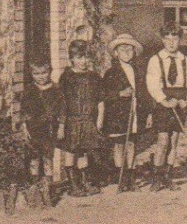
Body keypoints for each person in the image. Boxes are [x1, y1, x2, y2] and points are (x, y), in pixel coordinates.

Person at [144, 22, 187, 191]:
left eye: (174, 39)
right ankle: (157, 177)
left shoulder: (186, 61)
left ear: (180, 40)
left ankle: (168, 176)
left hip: (180, 101)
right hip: (163, 103)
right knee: (163, 140)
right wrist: (164, 100)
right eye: (167, 39)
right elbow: (152, 84)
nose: (171, 43)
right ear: (162, 40)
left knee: (174, 140)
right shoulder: (156, 60)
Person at [55, 39, 105, 197]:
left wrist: (99, 120)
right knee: (71, 151)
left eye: (86, 57)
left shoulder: (94, 77)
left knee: (84, 152)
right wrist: (62, 125)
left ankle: (85, 182)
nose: (83, 61)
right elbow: (62, 102)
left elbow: (100, 100)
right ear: (71, 59)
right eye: (79, 57)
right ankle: (73, 184)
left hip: (88, 119)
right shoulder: (67, 77)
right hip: (72, 120)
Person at [100, 33, 147, 192]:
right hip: (117, 114)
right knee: (119, 144)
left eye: (130, 49)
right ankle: (121, 178)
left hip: (134, 113)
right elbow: (104, 95)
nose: (126, 52)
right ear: (116, 53)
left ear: (134, 52)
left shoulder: (138, 71)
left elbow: (144, 93)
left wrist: (147, 113)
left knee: (132, 144)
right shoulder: (111, 73)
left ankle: (131, 177)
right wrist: (120, 94)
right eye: (123, 49)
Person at [11, 63, 62, 209]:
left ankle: (49, 191)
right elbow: (24, 111)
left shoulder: (56, 89)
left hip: (49, 129)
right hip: (33, 129)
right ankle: (35, 190)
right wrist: (24, 127)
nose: (41, 77)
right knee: (34, 158)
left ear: (49, 73)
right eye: (37, 74)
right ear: (32, 75)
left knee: (47, 158)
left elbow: (62, 108)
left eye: (44, 73)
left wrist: (61, 126)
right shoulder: (29, 90)